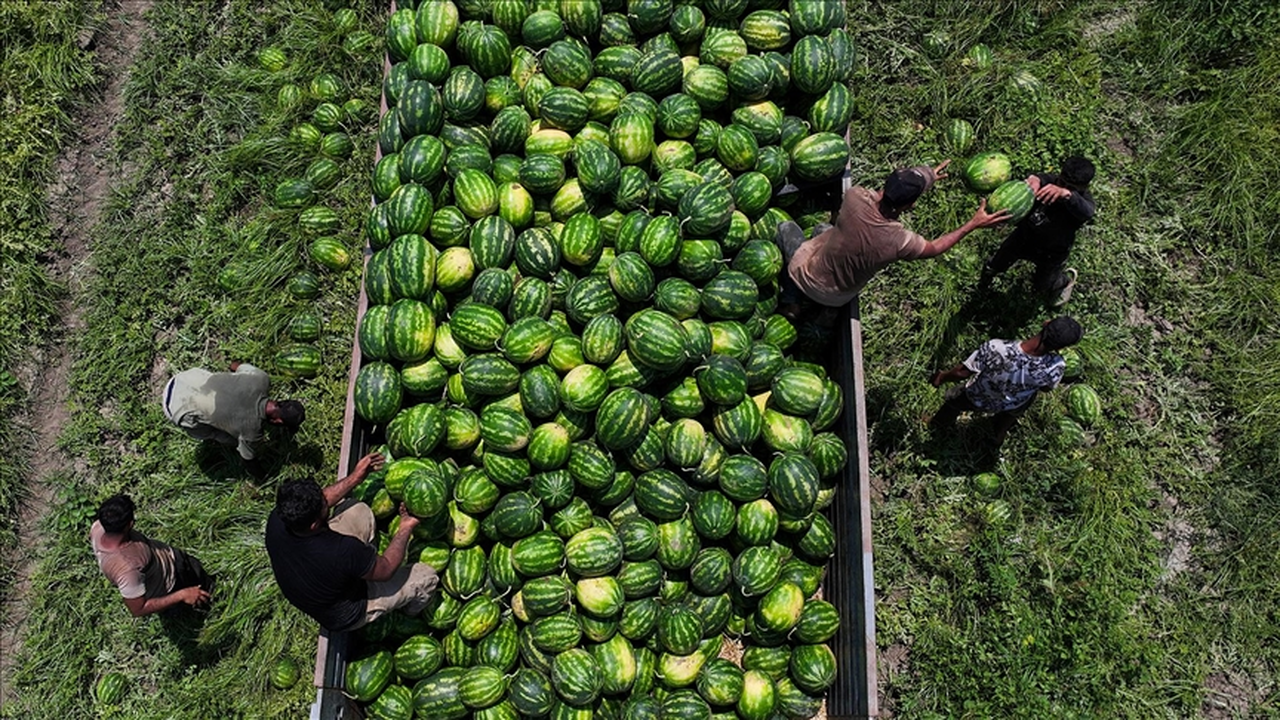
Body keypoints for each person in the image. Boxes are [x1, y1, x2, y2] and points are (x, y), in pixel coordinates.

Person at [777, 160, 1010, 316]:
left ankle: (791, 297)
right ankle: (824, 317)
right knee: (821, 231)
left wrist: (923, 177)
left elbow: (847, 211)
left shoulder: (855, 197)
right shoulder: (900, 241)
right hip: (839, 297)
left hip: (808, 276)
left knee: (788, 228)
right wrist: (973, 224)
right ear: (912, 205)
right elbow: (935, 248)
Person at [265, 452, 439, 633]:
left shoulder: (279, 519)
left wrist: (355, 478)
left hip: (316, 580)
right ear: (314, 524)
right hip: (347, 610)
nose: (326, 499)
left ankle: (364, 565)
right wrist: (406, 526)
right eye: (324, 503)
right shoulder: (340, 551)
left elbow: (321, 500)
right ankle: (409, 612)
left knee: (357, 510)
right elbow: (386, 569)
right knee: (426, 577)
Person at [929, 316, 1083, 447]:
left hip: (978, 397)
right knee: (1017, 408)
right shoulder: (1057, 365)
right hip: (1013, 402)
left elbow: (962, 372)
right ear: (1062, 347)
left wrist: (941, 377)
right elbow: (1046, 388)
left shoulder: (997, 348)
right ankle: (999, 434)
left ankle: (937, 424)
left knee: (954, 401)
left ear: (1045, 323)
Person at [978, 156, 1097, 307]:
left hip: (1052, 252)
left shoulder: (1083, 202)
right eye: (1061, 182)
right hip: (1023, 237)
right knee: (999, 260)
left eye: (1071, 187)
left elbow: (1087, 212)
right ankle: (987, 279)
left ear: (1084, 188)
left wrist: (1067, 195)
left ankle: (1064, 282)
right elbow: (1039, 178)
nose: (1062, 187)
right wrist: (1034, 179)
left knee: (1043, 284)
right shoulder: (1050, 182)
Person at [90, 494, 213, 617]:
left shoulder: (98, 528)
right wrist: (182, 595)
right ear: (129, 524)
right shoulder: (127, 570)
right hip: (172, 582)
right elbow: (138, 609)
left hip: (169, 559)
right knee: (204, 595)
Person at [162, 362, 304, 462]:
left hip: (184, 378)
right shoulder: (252, 432)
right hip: (174, 407)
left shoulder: (261, 378)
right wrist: (261, 476)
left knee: (214, 384)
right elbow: (249, 459)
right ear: (277, 421)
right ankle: (214, 436)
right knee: (224, 436)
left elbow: (235, 365)